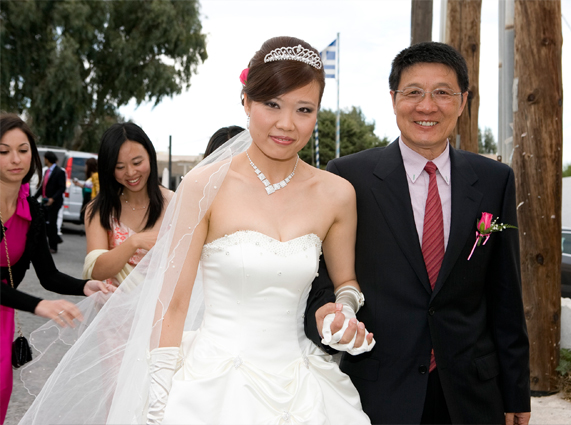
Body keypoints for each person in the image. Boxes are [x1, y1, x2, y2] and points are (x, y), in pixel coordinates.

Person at [18, 36, 374, 425]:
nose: (286, 123)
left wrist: (344, 312)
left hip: (303, 386)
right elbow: (173, 303)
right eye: (272, 104)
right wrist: (157, 399)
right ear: (246, 101)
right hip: (212, 385)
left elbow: (347, 283)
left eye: (303, 109)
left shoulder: (337, 194)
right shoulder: (204, 185)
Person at [306, 41, 531, 424]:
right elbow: (321, 276)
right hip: (376, 387)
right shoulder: (348, 177)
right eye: (413, 92)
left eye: (442, 93)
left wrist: (516, 391)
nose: (427, 106)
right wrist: (331, 317)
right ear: (393, 99)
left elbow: (505, 294)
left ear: (462, 102)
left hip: (471, 393)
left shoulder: (495, 180)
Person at [0, 114, 114, 423]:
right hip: (7, 304)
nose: (15, 159)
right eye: (3, 151)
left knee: (0, 395)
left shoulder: (31, 210)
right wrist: (39, 305)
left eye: (23, 150)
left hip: (3, 314)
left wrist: (84, 286)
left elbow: (48, 275)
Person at [83, 123, 173, 287]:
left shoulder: (176, 203)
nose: (131, 173)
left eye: (137, 163)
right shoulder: (100, 209)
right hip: (114, 309)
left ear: (150, 157)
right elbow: (96, 271)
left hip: (164, 309)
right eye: (120, 167)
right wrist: (134, 242)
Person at [34, 151, 65, 253]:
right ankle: (55, 238)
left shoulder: (60, 172)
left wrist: (53, 198)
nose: (44, 160)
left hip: (55, 202)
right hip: (45, 201)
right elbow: (43, 187)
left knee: (52, 223)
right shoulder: (47, 171)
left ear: (47, 159)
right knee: (44, 223)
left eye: (45, 158)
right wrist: (34, 197)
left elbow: (62, 188)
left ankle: (53, 246)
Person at [72, 157, 98, 224]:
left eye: (86, 166)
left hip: (91, 200)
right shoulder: (91, 177)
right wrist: (78, 184)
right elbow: (89, 187)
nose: (85, 168)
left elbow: (97, 189)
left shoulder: (95, 176)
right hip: (88, 200)